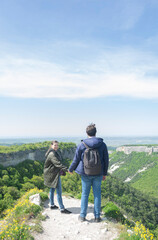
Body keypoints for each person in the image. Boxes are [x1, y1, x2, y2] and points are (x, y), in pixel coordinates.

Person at [68, 124, 109, 222]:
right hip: (98, 173)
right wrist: (104, 173)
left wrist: (70, 169)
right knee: (97, 194)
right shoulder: (102, 144)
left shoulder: (82, 145)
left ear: (87, 133)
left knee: (85, 194)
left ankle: (82, 216)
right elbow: (106, 160)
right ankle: (97, 217)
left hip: (85, 172)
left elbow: (76, 159)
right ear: (95, 133)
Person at [44, 140, 71, 214]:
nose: (56, 146)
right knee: (59, 191)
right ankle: (62, 209)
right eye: (55, 145)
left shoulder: (52, 152)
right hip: (53, 174)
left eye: (57, 145)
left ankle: (52, 205)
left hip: (51, 173)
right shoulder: (52, 154)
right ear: (51, 145)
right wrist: (67, 170)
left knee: (52, 189)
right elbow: (57, 164)